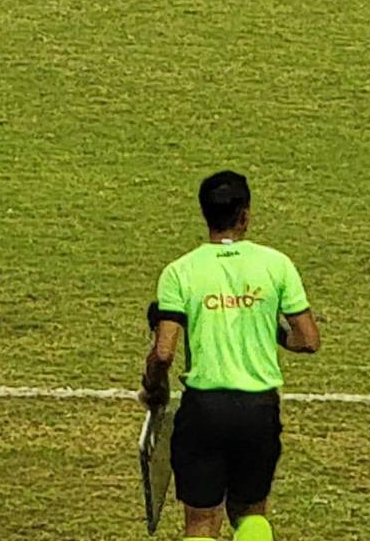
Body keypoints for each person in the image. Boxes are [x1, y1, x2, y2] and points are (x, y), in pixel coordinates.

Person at [139, 170, 321, 541]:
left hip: (204, 412)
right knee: (252, 515)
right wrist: (275, 334)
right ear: (245, 216)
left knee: (201, 524)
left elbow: (164, 352)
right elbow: (309, 339)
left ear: (205, 214)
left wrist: (152, 385)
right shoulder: (276, 264)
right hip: (258, 411)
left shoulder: (180, 272)